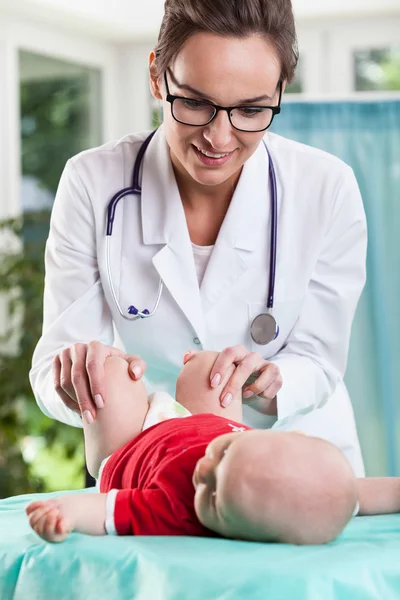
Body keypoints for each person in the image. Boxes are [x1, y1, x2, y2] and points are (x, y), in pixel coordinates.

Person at [29, 0, 367, 476]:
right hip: (155, 469)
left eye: (251, 110)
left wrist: (274, 383)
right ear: (156, 76)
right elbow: (53, 364)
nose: (220, 137)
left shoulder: (326, 187)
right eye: (195, 102)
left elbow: (319, 360)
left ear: (279, 92)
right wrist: (77, 381)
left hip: (298, 469)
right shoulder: (93, 181)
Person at [26, 352, 400, 545]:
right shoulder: (304, 487)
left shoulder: (176, 510)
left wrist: (64, 514)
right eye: (225, 454)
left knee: (106, 375)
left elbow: (104, 509)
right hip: (191, 422)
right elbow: (359, 494)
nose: (202, 473)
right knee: (211, 368)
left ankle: (112, 397)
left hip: (132, 443)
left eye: (214, 495)